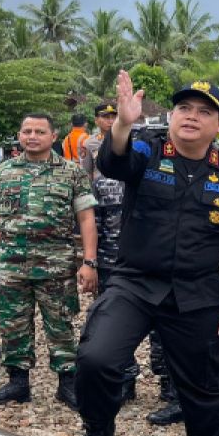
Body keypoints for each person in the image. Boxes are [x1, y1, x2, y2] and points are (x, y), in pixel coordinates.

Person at [52, 75, 219, 436]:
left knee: (203, 387)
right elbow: (113, 163)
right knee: (95, 358)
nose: (192, 118)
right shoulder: (147, 149)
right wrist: (122, 124)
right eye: (185, 109)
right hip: (135, 282)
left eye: (204, 112)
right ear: (173, 116)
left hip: (197, 293)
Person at [0, 113, 99, 408]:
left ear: (53, 137)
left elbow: (86, 219)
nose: (32, 136)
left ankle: (68, 385)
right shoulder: (3, 172)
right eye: (27, 130)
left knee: (61, 326)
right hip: (11, 265)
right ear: (19, 135)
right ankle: (18, 383)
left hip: (56, 266)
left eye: (39, 131)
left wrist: (89, 262)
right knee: (12, 324)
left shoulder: (72, 173)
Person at [79, 102, 146, 407]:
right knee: (111, 325)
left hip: (147, 261)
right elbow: (90, 219)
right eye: (105, 116)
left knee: (163, 331)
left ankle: (171, 389)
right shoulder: (98, 174)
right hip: (110, 260)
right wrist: (89, 261)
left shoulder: (152, 165)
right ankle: (123, 379)